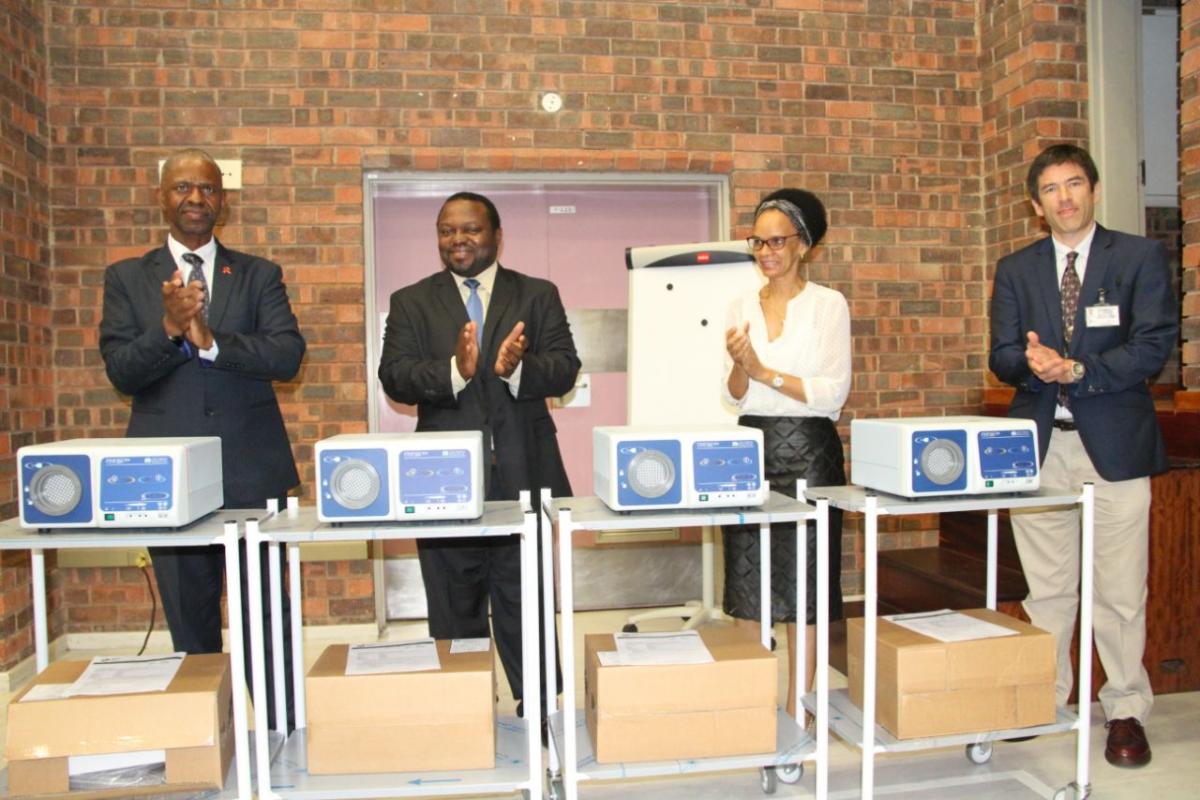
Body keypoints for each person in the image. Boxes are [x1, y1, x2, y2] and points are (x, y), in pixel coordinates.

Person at [99, 148, 304, 731]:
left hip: (252, 471)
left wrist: (213, 341)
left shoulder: (258, 273)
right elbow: (120, 370)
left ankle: (280, 731)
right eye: (183, 188)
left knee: (266, 614)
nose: (196, 198)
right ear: (162, 197)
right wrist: (168, 329)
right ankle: (205, 738)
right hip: (168, 482)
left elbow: (288, 355)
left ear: (224, 200)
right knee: (190, 622)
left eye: (208, 189)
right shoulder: (127, 278)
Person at [989, 143, 1177, 767]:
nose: (1064, 197)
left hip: (1116, 447)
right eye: (1051, 189)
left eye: (1075, 184)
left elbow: (1153, 347)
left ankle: (1124, 709)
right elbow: (1003, 355)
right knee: (1047, 590)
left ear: (1094, 190)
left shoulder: (1140, 256)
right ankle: (1048, 695)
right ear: (1034, 204)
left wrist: (1079, 368)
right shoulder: (1016, 268)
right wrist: (1035, 365)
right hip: (1041, 450)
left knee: (1120, 592)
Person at [377, 191, 580, 718]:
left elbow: (565, 368)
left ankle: (538, 707)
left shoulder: (537, 294)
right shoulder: (411, 301)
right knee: (452, 595)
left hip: (523, 470)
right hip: (442, 478)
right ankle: (461, 704)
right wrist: (454, 370)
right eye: (447, 231)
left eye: (470, 229)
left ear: (496, 235)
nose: (458, 240)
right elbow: (394, 376)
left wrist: (517, 366)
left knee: (524, 596)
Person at [721, 188, 851, 717]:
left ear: (804, 246)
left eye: (778, 241)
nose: (767, 251)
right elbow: (732, 395)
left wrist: (762, 371)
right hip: (752, 446)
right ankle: (752, 702)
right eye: (758, 242)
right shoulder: (739, 304)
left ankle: (802, 702)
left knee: (807, 579)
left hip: (810, 450)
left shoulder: (827, 305)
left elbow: (831, 392)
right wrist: (739, 365)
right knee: (748, 576)